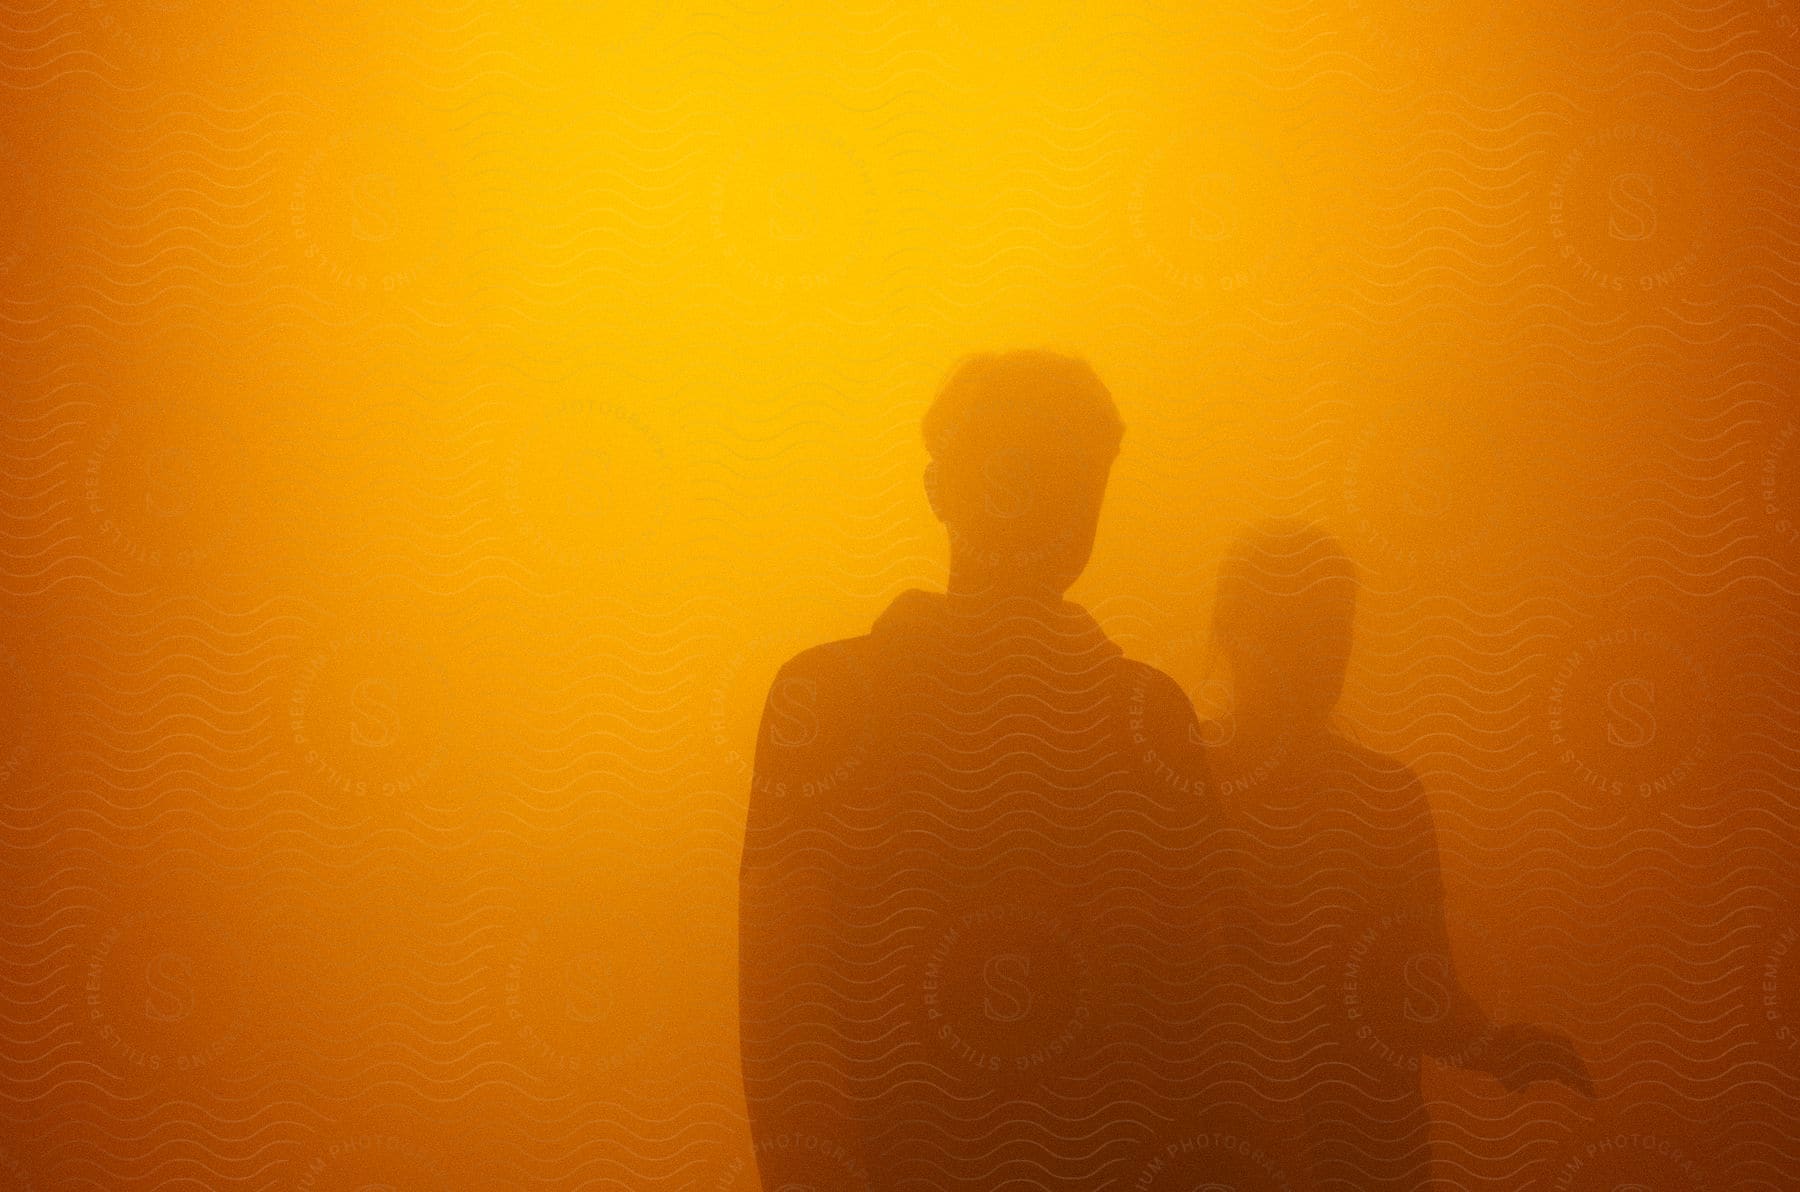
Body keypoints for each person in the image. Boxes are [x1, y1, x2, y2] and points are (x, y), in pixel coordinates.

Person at [738, 352, 1276, 1192]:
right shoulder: (834, 699)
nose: (1055, 506)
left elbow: (1210, 1025)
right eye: (1023, 469)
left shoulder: (1149, 717)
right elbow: (788, 1023)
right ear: (939, 487)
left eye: (1082, 478)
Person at [1202, 519, 1593, 1192]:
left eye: (1334, 626)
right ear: (1234, 631)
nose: (1320, 653)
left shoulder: (1380, 796)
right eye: (1292, 626)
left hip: (1357, 1144)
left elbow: (1419, 989)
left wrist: (1497, 1046)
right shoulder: (1186, 784)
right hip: (1240, 1142)